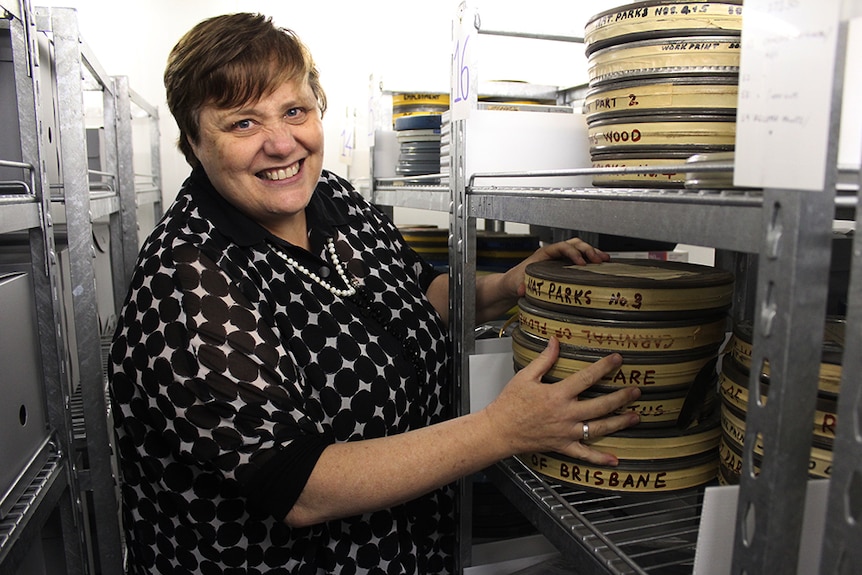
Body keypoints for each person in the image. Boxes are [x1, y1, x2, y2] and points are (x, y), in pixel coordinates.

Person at [108, 12, 641, 575]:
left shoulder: (329, 198)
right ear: (193, 140)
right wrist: (502, 429)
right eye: (242, 123)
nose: (281, 142)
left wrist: (507, 287)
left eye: (295, 111)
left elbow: (417, 295)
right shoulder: (186, 280)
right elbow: (302, 488)